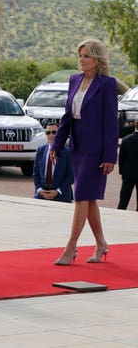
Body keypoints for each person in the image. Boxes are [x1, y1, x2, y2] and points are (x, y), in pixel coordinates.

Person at [51, 38, 118, 265]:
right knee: (88, 200)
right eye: (80, 55)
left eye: (87, 55)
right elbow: (67, 116)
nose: (81, 59)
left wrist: (110, 155)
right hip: (77, 148)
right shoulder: (74, 80)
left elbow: (111, 122)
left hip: (96, 151)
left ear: (97, 59)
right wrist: (57, 145)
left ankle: (70, 248)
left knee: (81, 197)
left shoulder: (107, 84)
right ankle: (101, 244)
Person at [33, 123, 73, 203]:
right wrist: (40, 190)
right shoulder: (40, 151)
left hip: (61, 196)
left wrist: (57, 191)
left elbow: (72, 177)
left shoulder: (68, 153)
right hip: (41, 195)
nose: (51, 135)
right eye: (48, 133)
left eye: (54, 132)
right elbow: (35, 174)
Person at [117, 121, 138, 210]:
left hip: (128, 173)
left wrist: (121, 172)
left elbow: (121, 158)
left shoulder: (126, 140)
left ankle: (119, 217)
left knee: (123, 200)